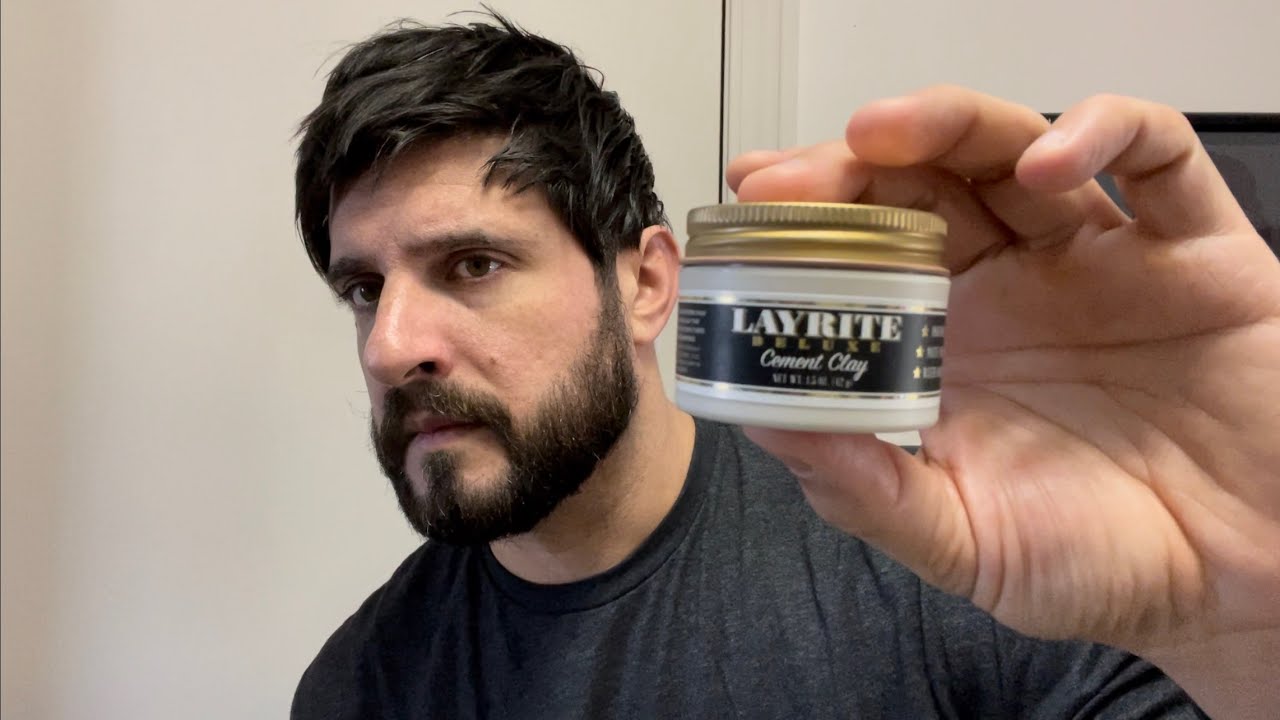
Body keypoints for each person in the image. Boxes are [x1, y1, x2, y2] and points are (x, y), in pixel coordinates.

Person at [290, 13, 1280, 720]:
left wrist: (1241, 626)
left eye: (472, 264)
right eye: (365, 288)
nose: (389, 346)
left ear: (647, 283)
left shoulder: (939, 559)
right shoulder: (361, 686)